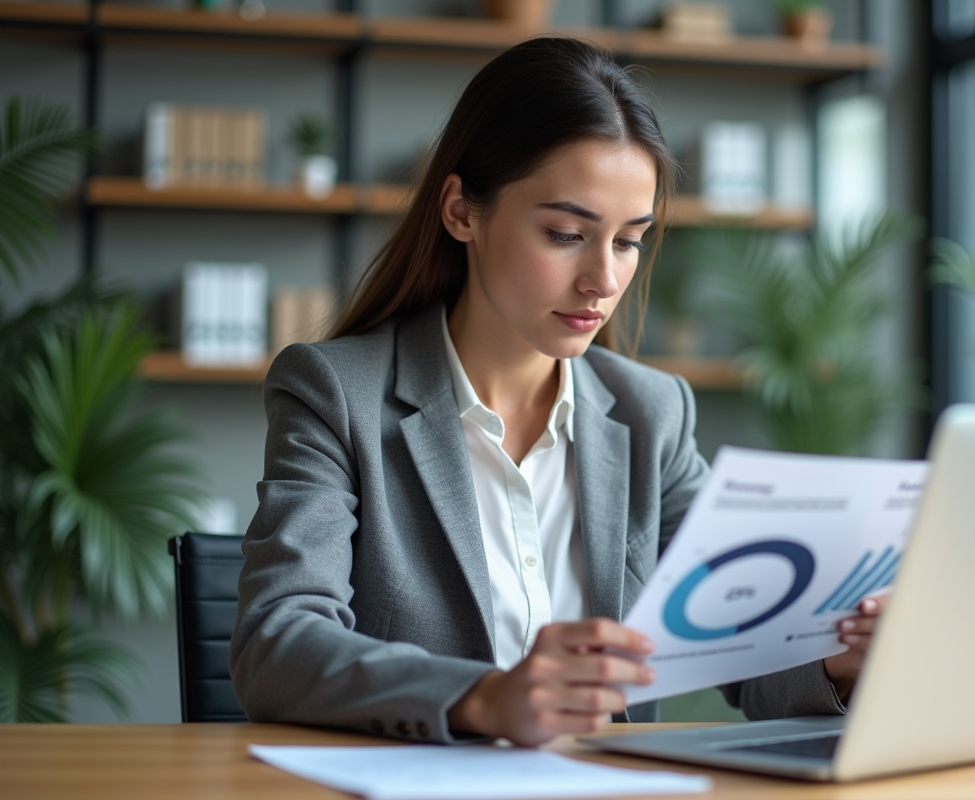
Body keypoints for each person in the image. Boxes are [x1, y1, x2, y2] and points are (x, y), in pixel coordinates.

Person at [230, 36, 884, 747]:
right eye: (567, 233)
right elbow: (277, 642)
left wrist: (836, 658)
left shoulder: (651, 415)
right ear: (462, 212)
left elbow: (742, 637)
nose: (603, 279)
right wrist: (482, 697)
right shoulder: (335, 393)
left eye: (629, 240)